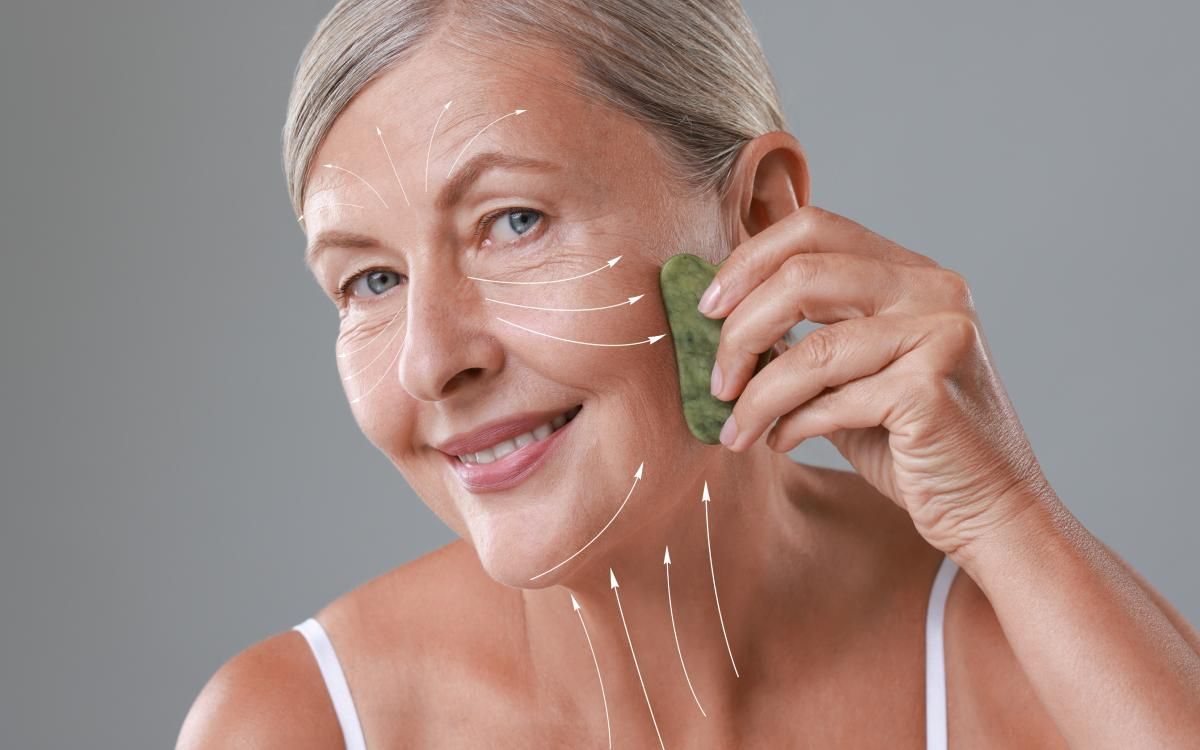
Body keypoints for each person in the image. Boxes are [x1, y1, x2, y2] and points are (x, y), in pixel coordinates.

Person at [177, 1, 1200, 747]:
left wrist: (1006, 516)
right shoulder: (292, 726)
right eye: (370, 281)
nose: (433, 361)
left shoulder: (1015, 655)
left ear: (755, 219)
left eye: (514, 222)